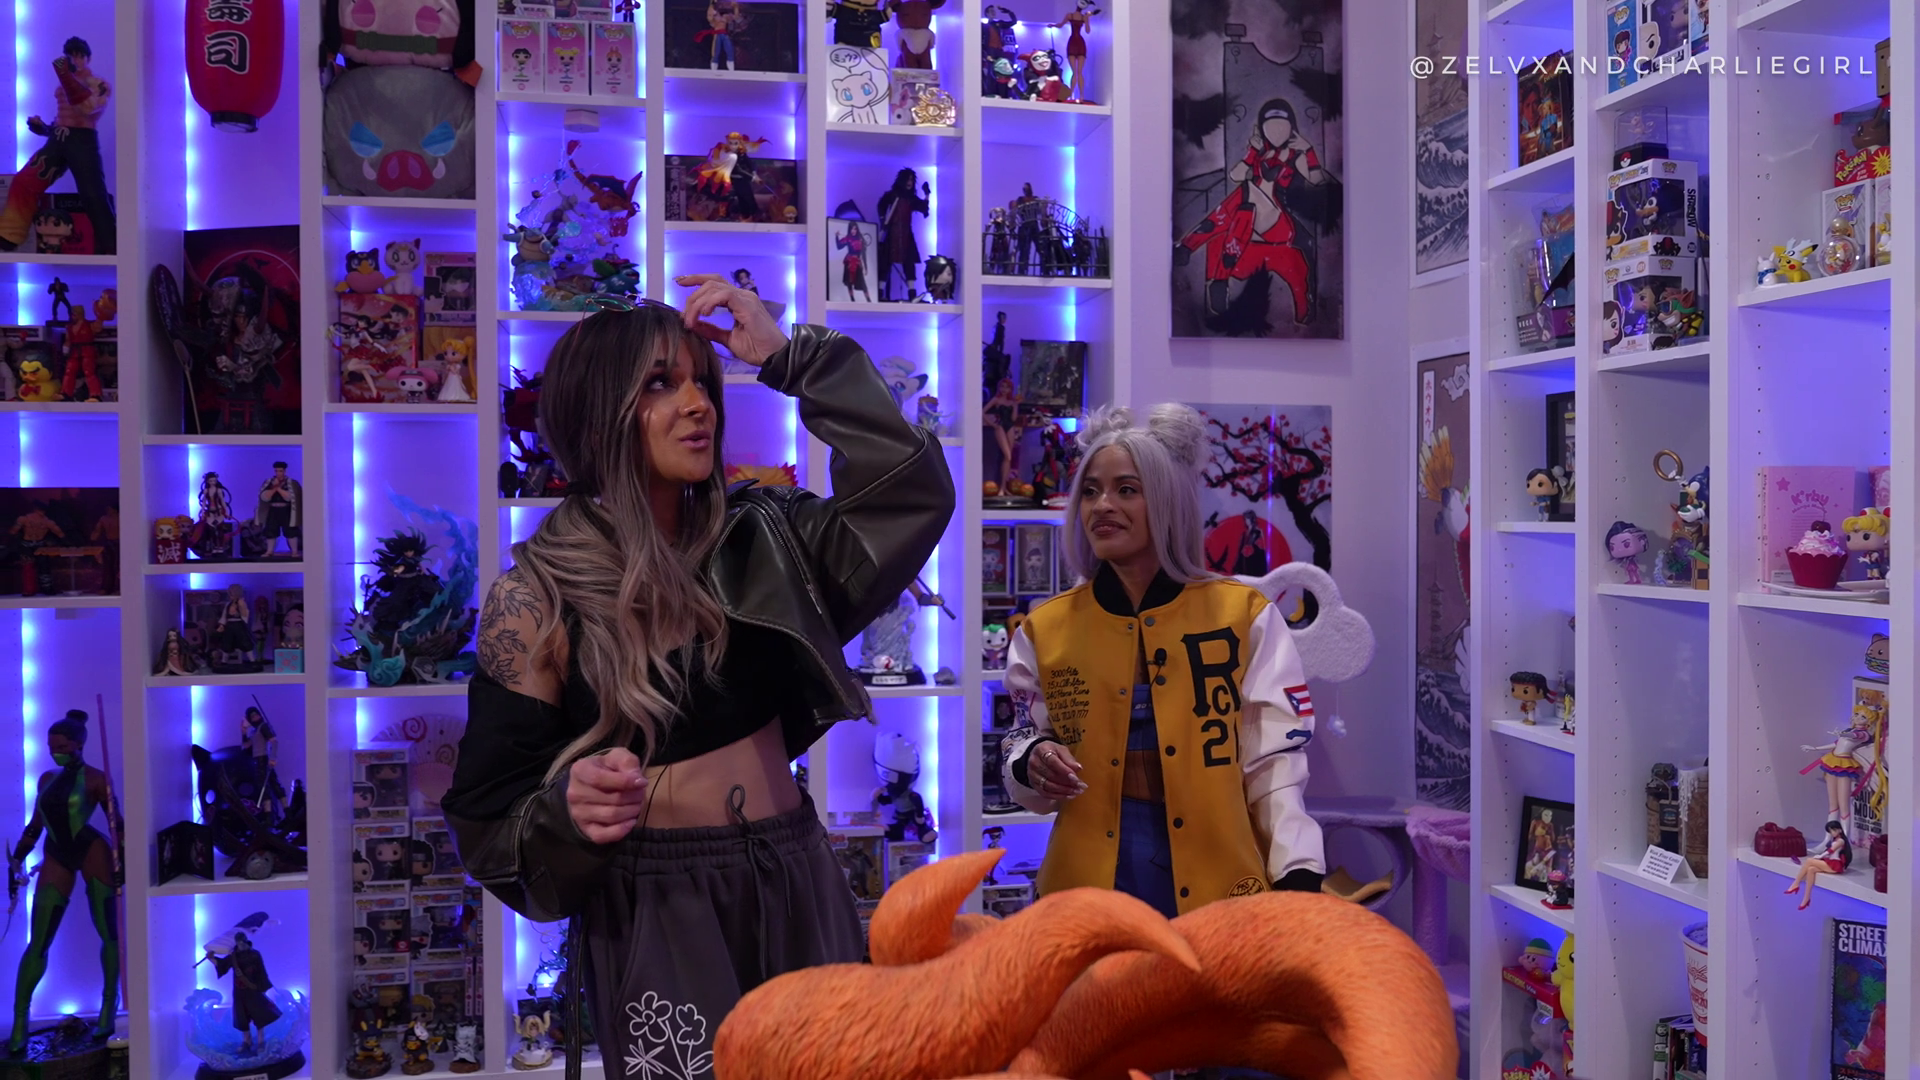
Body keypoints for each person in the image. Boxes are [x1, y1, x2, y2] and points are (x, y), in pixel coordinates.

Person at [441, 273, 954, 1080]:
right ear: (596, 413)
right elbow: (487, 823)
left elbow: (914, 491)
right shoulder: (535, 597)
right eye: (660, 384)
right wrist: (569, 809)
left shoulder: (769, 540)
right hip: (659, 906)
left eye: (701, 382)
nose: (697, 404)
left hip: (796, 871)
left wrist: (794, 359)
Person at [1000, 403, 1324, 926]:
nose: (1103, 506)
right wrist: (1032, 759)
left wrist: (1298, 871)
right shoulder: (1045, 629)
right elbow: (1021, 736)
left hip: (1221, 885)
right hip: (1082, 891)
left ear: (1168, 500)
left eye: (1126, 489)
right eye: (1090, 491)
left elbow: (1275, 763)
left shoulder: (1244, 617)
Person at [7, 710, 122, 1052]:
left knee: (108, 933)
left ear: (78, 745)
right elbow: (35, 824)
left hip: (92, 850)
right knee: (39, 941)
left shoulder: (97, 779)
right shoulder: (46, 779)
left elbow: (117, 823)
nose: (54, 752)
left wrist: (124, 861)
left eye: (61, 747)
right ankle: (20, 1021)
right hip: (56, 852)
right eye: (50, 747)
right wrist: (18, 857)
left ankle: (108, 1006)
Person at [0, 37, 114, 255]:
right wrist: (42, 128)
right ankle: (9, 236)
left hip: (82, 141)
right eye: (71, 55)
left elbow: (87, 108)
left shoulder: (98, 84)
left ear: (88, 58)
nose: (75, 60)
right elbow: (61, 120)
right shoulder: (63, 85)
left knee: (92, 194)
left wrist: (65, 77)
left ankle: (110, 244)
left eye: (80, 56)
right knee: (25, 181)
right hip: (58, 139)